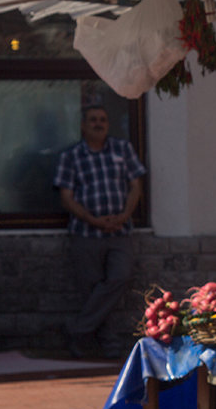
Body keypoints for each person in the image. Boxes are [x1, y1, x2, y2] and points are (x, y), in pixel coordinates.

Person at [54, 104, 147, 359]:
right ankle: (106, 342)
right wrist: (94, 220)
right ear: (83, 125)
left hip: (120, 231)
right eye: (93, 120)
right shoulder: (71, 156)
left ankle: (76, 330)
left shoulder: (122, 149)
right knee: (93, 289)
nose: (99, 123)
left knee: (120, 277)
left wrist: (125, 216)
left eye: (103, 119)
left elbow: (136, 186)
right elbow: (66, 197)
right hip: (86, 233)